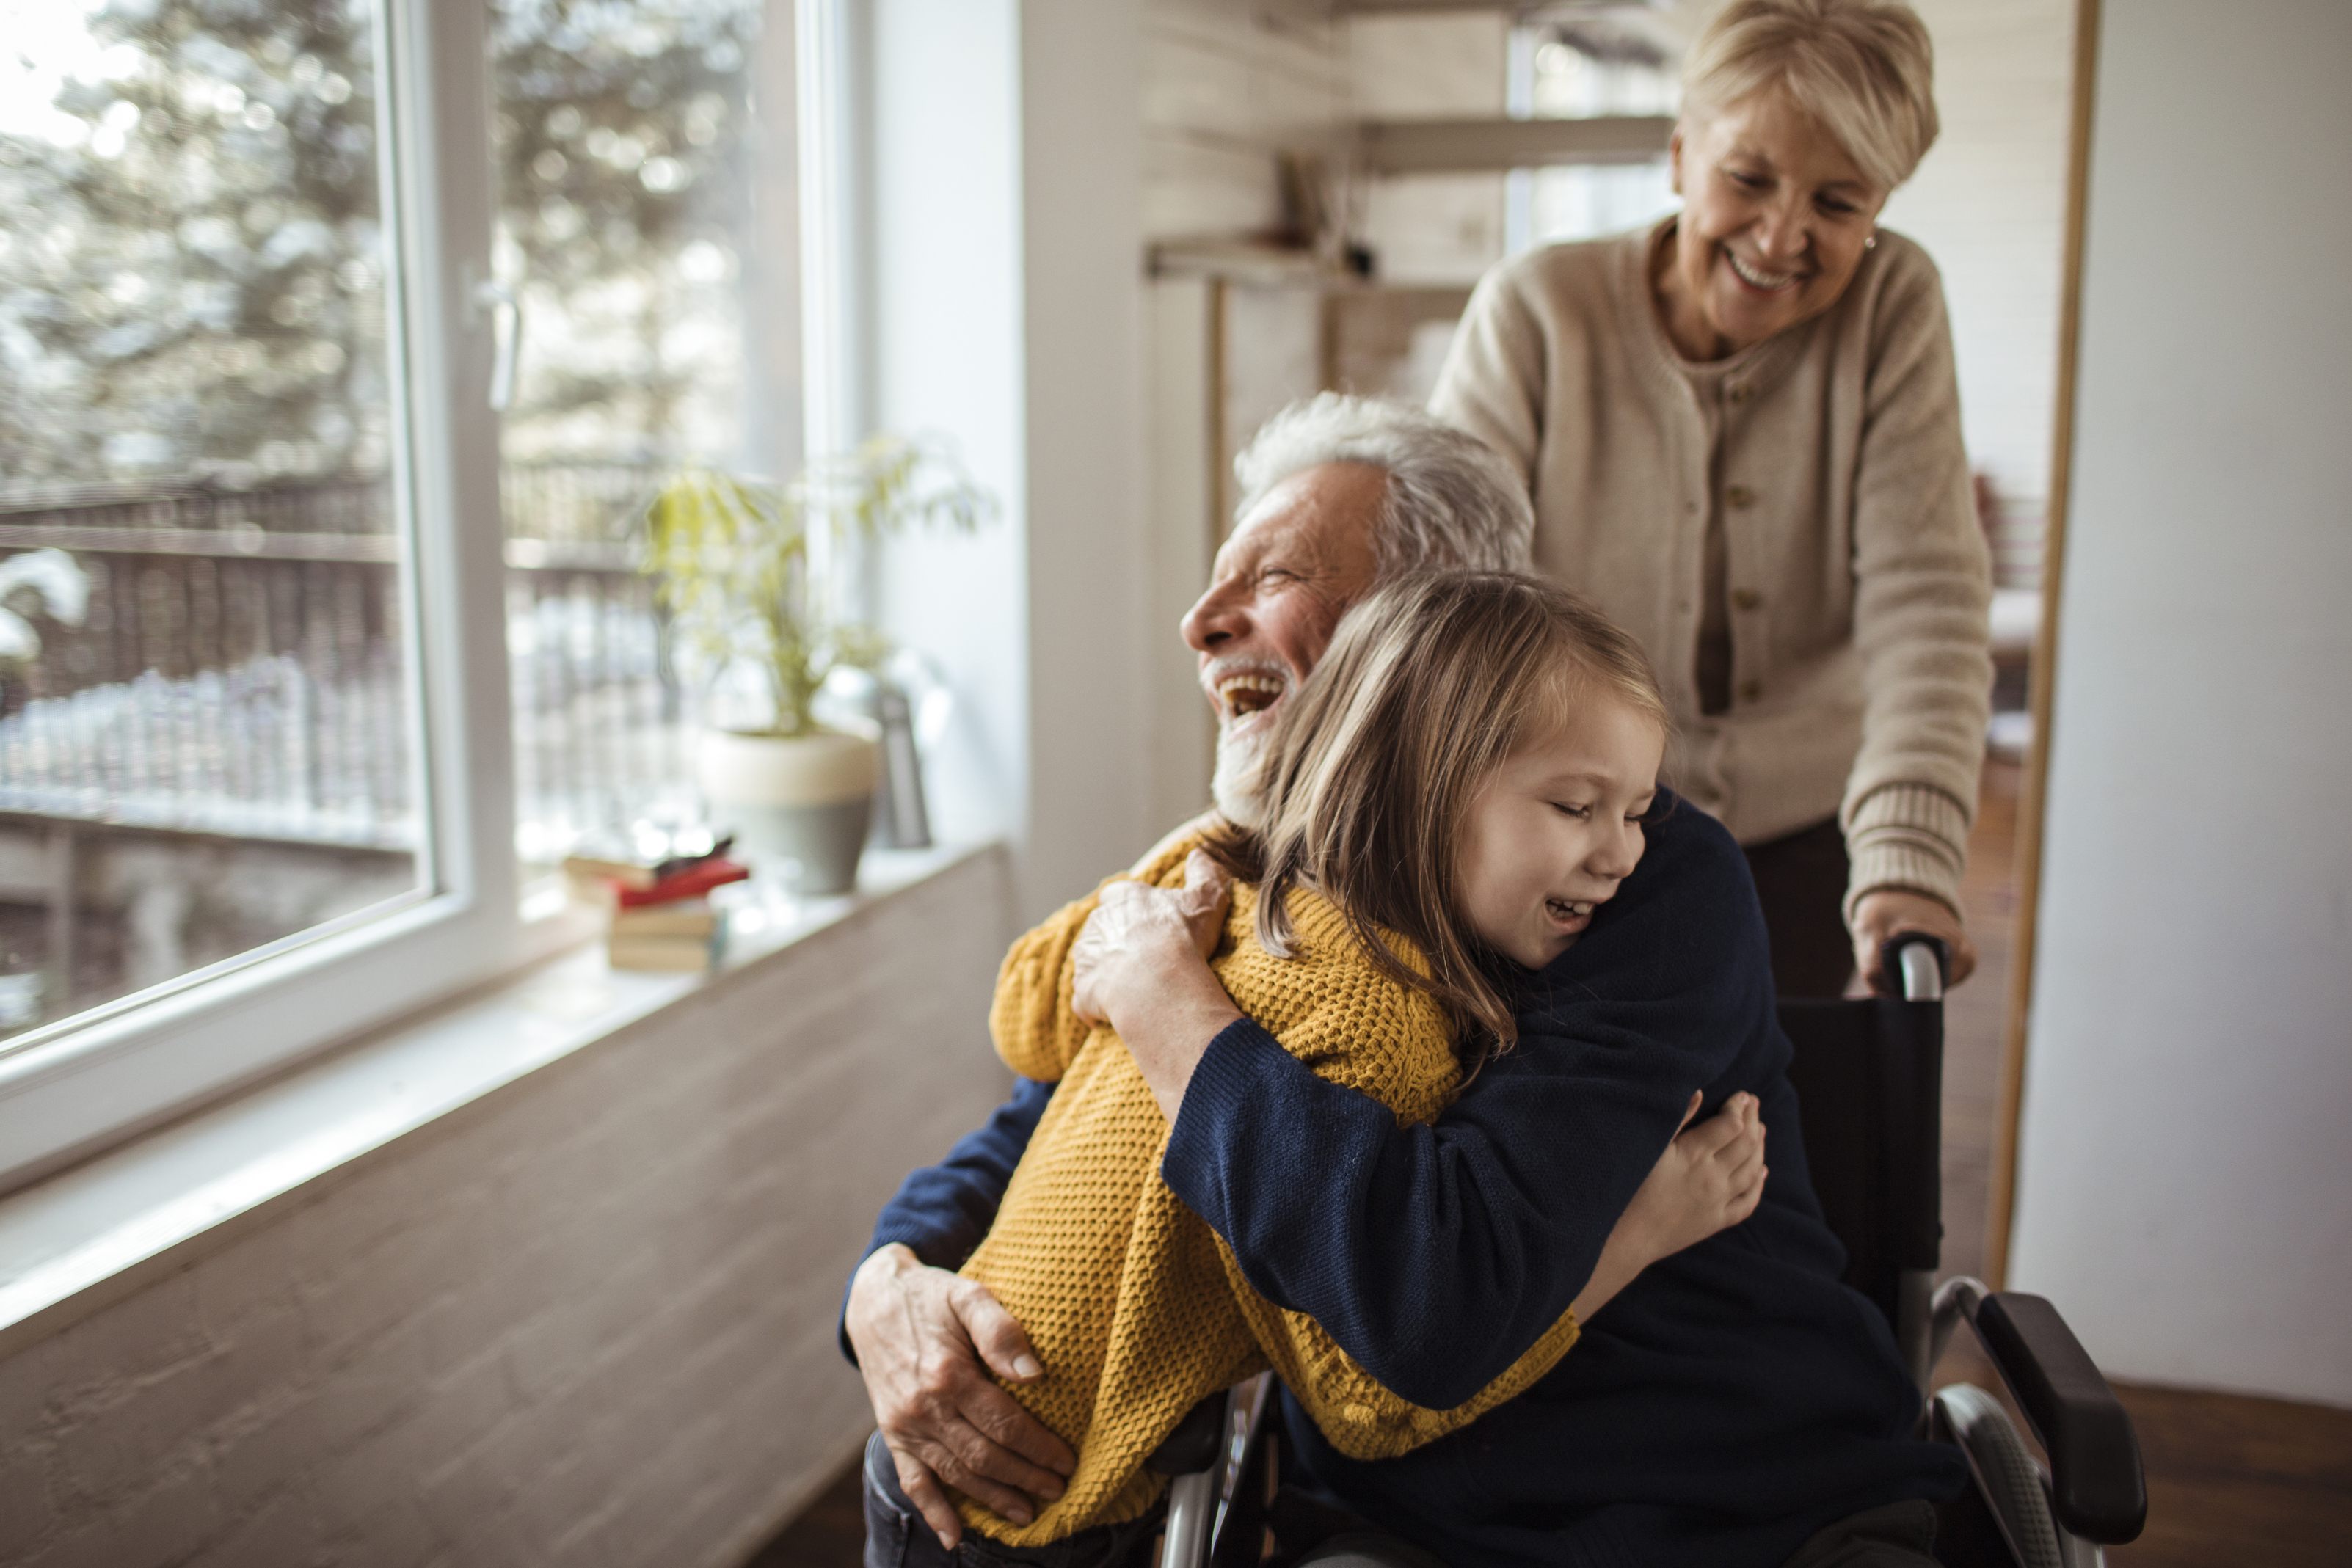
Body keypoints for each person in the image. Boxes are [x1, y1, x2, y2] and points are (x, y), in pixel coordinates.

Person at [845, 395, 1964, 1567]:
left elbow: (1430, 1304)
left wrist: (1169, 1003)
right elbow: (1056, 1119)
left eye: (1269, 574)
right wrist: (892, 1281)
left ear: (1431, 636)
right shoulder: (1247, 879)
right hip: (1402, 1528)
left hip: (1747, 1506)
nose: (1198, 620)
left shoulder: (1642, 883)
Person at [873, 573, 1768, 1564]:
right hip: (1035, 1510)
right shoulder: (1367, 1017)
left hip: (976, 1487)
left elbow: (1024, 1018)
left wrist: (1177, 874)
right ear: (1419, 773)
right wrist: (1633, 1233)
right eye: (1574, 806)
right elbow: (1370, 1399)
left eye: (1635, 811)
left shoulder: (1222, 905)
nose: (1622, 854)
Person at [1429, 0, 1994, 999]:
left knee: (1780, 1133)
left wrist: (1907, 860)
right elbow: (1443, 590)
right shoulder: (1536, 310)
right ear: (1681, 156)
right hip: (1561, 832)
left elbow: (1928, 603)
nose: (1782, 237)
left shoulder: (1892, 306)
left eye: (1837, 202)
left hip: (1804, 837)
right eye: (1747, 179)